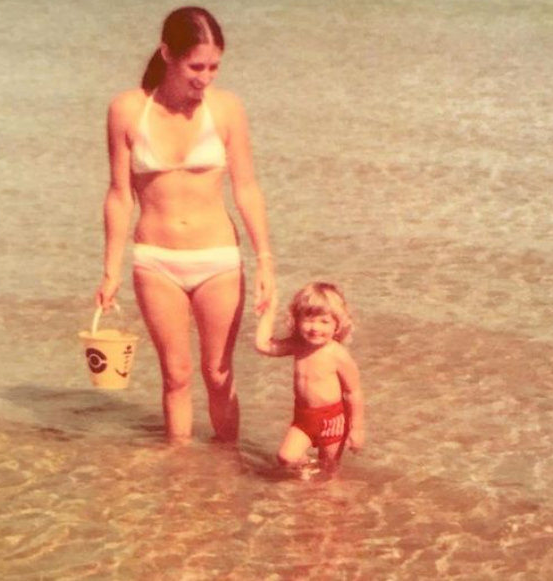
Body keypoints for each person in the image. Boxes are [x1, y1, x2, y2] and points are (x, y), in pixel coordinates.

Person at [94, 7, 275, 444]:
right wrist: (110, 269)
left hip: (219, 259)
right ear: (167, 54)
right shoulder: (127, 110)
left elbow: (247, 189)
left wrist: (266, 261)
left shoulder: (227, 109)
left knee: (217, 374)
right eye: (196, 66)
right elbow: (120, 195)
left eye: (214, 67)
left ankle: (226, 466)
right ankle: (181, 479)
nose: (206, 77)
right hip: (156, 260)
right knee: (175, 375)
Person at [255, 282, 364, 473]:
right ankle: (309, 475)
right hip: (303, 418)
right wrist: (269, 311)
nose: (315, 328)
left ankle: (327, 498)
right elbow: (263, 345)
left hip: (332, 420)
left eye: (324, 321)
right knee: (286, 457)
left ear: (337, 325)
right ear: (297, 320)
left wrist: (356, 428)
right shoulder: (297, 345)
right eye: (309, 319)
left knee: (330, 470)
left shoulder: (337, 354)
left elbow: (353, 392)